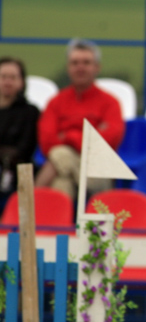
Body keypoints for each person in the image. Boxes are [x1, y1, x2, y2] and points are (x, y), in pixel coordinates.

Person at [36, 39, 125, 201]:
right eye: (75, 63)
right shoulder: (56, 102)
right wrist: (87, 135)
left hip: (97, 169)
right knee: (61, 183)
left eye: (86, 62)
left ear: (97, 68)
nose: (80, 67)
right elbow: (46, 142)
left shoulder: (110, 103)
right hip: (64, 166)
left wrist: (68, 136)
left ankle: (28, 210)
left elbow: (106, 143)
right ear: (68, 68)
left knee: (59, 155)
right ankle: (61, 225)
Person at [0, 57, 41, 207]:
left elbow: (25, 149)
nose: (7, 82)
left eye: (13, 77)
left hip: (17, 172)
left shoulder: (30, 112)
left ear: (22, 82)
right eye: (3, 77)